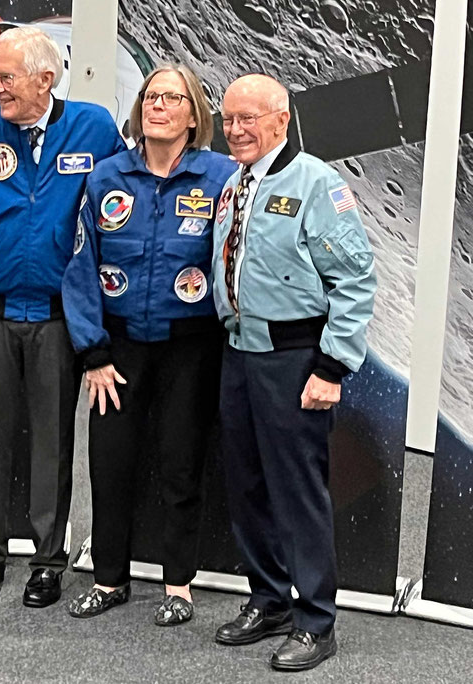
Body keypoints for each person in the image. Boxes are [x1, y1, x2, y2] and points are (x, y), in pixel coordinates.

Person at [0, 26, 125, 607]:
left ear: (47, 78)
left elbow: (118, 212)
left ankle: (47, 560)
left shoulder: (93, 128)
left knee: (52, 442)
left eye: (6, 77)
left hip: (58, 318)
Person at [211, 74, 376, 671]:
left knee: (297, 493)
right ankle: (269, 599)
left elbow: (354, 281)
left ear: (281, 120)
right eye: (229, 119)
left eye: (249, 118)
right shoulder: (233, 186)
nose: (236, 129)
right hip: (238, 355)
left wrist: (332, 367)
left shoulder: (316, 184)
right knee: (247, 484)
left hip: (294, 358)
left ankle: (315, 621)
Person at [61, 65, 235, 623]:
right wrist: (93, 351)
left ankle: (178, 586)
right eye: (150, 96)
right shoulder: (106, 177)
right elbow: (82, 266)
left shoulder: (223, 178)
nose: (158, 106)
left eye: (172, 98)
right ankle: (109, 579)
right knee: (111, 464)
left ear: (193, 114)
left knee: (182, 465)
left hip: (191, 348)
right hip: (119, 347)